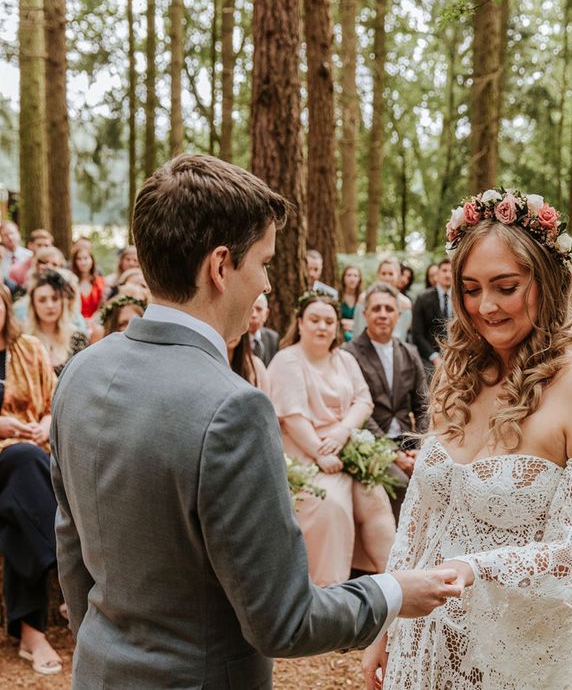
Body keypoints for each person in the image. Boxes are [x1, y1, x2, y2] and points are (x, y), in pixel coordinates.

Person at [50, 154, 463, 688]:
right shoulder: (233, 409)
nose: (268, 285)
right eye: (264, 263)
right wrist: (395, 592)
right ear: (221, 267)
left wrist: (104, 649)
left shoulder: (80, 372)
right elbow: (284, 621)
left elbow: (73, 551)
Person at [362, 188, 572, 689]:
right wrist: (386, 615)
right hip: (425, 647)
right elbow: (419, 520)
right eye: (470, 288)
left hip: (514, 660)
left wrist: (474, 567)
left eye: (506, 287)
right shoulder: (456, 379)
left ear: (546, 282)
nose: (485, 306)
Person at [267, 291, 397, 585]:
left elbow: (363, 401)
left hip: (345, 445)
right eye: (314, 320)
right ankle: (328, 590)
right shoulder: (288, 360)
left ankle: (393, 582)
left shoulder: (344, 360)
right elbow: (293, 416)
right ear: (300, 323)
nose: (322, 327)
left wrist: (342, 432)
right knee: (332, 505)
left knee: (375, 500)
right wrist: (320, 453)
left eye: (329, 321)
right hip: (304, 454)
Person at [0, 284, 62, 675]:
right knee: (25, 464)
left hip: (27, 466)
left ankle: (32, 635)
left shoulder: (30, 350)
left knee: (21, 502)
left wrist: (45, 423)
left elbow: (56, 405)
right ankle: (70, 567)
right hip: (16, 459)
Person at [343, 282, 428, 521]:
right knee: (400, 482)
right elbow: (356, 409)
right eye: (377, 308)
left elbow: (423, 405)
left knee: (434, 473)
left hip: (408, 441)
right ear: (365, 314)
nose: (383, 314)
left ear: (398, 316)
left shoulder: (409, 352)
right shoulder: (349, 353)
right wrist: (391, 454)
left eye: (389, 309)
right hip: (369, 442)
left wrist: (420, 448)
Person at [26, 270, 88, 375]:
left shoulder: (78, 338)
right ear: (33, 304)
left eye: (55, 299)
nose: (50, 305)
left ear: (62, 302)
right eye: (42, 300)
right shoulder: (23, 340)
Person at [353, 259, 412, 342]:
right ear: (378, 275)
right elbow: (358, 331)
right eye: (383, 274)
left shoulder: (405, 304)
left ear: (398, 276)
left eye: (391, 274)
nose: (387, 278)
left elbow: (401, 335)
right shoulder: (364, 298)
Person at [411, 257, 452, 372]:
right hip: (429, 357)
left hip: (455, 356)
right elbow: (417, 334)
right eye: (444, 270)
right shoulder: (422, 298)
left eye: (451, 271)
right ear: (437, 274)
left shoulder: (460, 298)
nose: (448, 275)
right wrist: (434, 357)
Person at [70, 246, 105, 322]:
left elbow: (102, 307)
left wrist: (92, 320)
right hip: (75, 322)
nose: (83, 262)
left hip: (96, 322)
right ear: (74, 262)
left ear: (92, 260)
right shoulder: (70, 281)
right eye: (79, 259)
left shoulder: (100, 281)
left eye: (86, 258)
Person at [248, 293, 279, 366]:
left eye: (259, 309)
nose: (254, 315)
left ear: (266, 314)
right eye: (251, 309)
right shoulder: (236, 339)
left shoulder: (273, 338)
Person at [339, 265, 363, 342]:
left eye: (355, 276)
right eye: (349, 275)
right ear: (343, 278)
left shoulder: (363, 298)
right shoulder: (337, 296)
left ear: (359, 279)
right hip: (341, 333)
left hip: (359, 333)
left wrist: (354, 324)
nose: (352, 279)